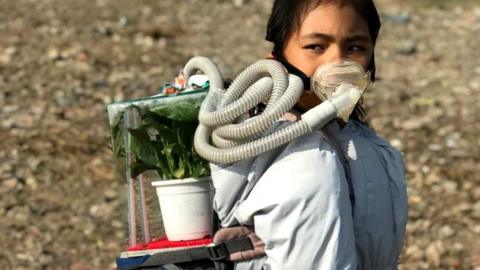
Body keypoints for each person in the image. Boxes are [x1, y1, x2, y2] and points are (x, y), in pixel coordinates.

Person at [211, 0, 408, 269]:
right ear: (275, 60)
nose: (337, 62)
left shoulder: (376, 152)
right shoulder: (272, 154)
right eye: (316, 46)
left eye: (355, 48)